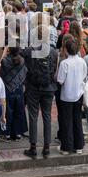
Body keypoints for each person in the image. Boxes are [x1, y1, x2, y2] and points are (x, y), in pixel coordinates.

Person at [23, 25, 58, 159]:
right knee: (47, 116)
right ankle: (47, 147)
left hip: (33, 87)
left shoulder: (29, 51)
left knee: (33, 116)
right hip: (49, 87)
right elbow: (54, 68)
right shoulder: (54, 52)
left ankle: (33, 147)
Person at [56, 38, 87, 155]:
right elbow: (84, 76)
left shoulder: (64, 63)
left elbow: (60, 80)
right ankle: (79, 145)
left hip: (66, 95)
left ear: (66, 50)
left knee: (66, 121)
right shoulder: (82, 61)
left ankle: (66, 146)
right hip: (79, 93)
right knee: (77, 119)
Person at [0, 46, 28, 141]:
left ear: (9, 50)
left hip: (7, 88)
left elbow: (0, 71)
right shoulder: (22, 60)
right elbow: (24, 73)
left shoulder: (4, 61)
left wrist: (4, 52)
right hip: (19, 87)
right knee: (18, 110)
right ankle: (17, 134)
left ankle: (7, 134)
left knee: (8, 111)